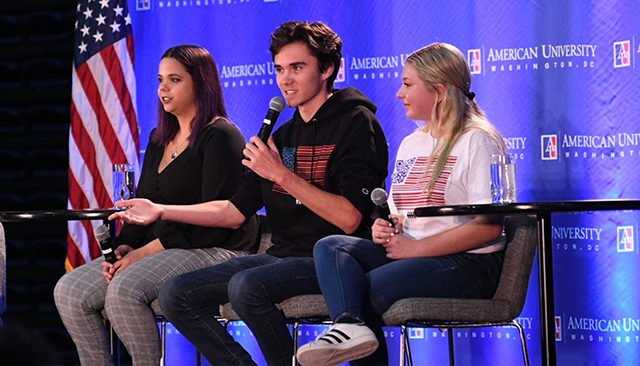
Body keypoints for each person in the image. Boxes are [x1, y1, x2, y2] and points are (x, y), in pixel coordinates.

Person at [109, 21, 389, 366]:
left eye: (297, 68)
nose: (285, 79)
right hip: (282, 255)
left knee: (247, 286)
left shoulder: (358, 123)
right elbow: (233, 211)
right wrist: (161, 210)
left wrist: (281, 175)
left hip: (333, 260)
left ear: (327, 69)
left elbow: (349, 219)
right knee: (176, 293)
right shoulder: (283, 135)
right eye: (279, 69)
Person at [296, 42, 509, 366]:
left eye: (408, 84)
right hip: (412, 251)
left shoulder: (478, 139)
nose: (399, 93)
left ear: (438, 91)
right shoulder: (412, 142)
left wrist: (414, 249)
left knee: (363, 291)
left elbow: (488, 227)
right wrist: (386, 226)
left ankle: (349, 327)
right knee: (332, 247)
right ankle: (350, 327)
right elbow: (400, 213)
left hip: (467, 263)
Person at [54, 45, 260, 366]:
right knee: (69, 290)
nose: (163, 89)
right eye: (161, 79)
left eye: (174, 79)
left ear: (200, 84)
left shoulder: (220, 135)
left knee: (124, 290)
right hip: (163, 247)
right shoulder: (157, 138)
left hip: (216, 248)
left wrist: (143, 253)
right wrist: (123, 248)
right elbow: (144, 210)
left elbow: (218, 218)